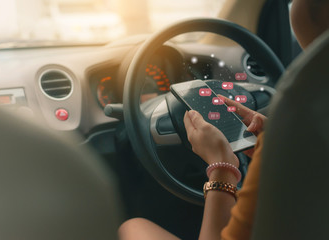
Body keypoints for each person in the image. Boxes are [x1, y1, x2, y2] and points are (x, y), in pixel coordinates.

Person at [118, 0, 329, 239]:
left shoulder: (293, 134)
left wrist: (221, 164)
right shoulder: (301, 132)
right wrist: (270, 139)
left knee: (132, 226)